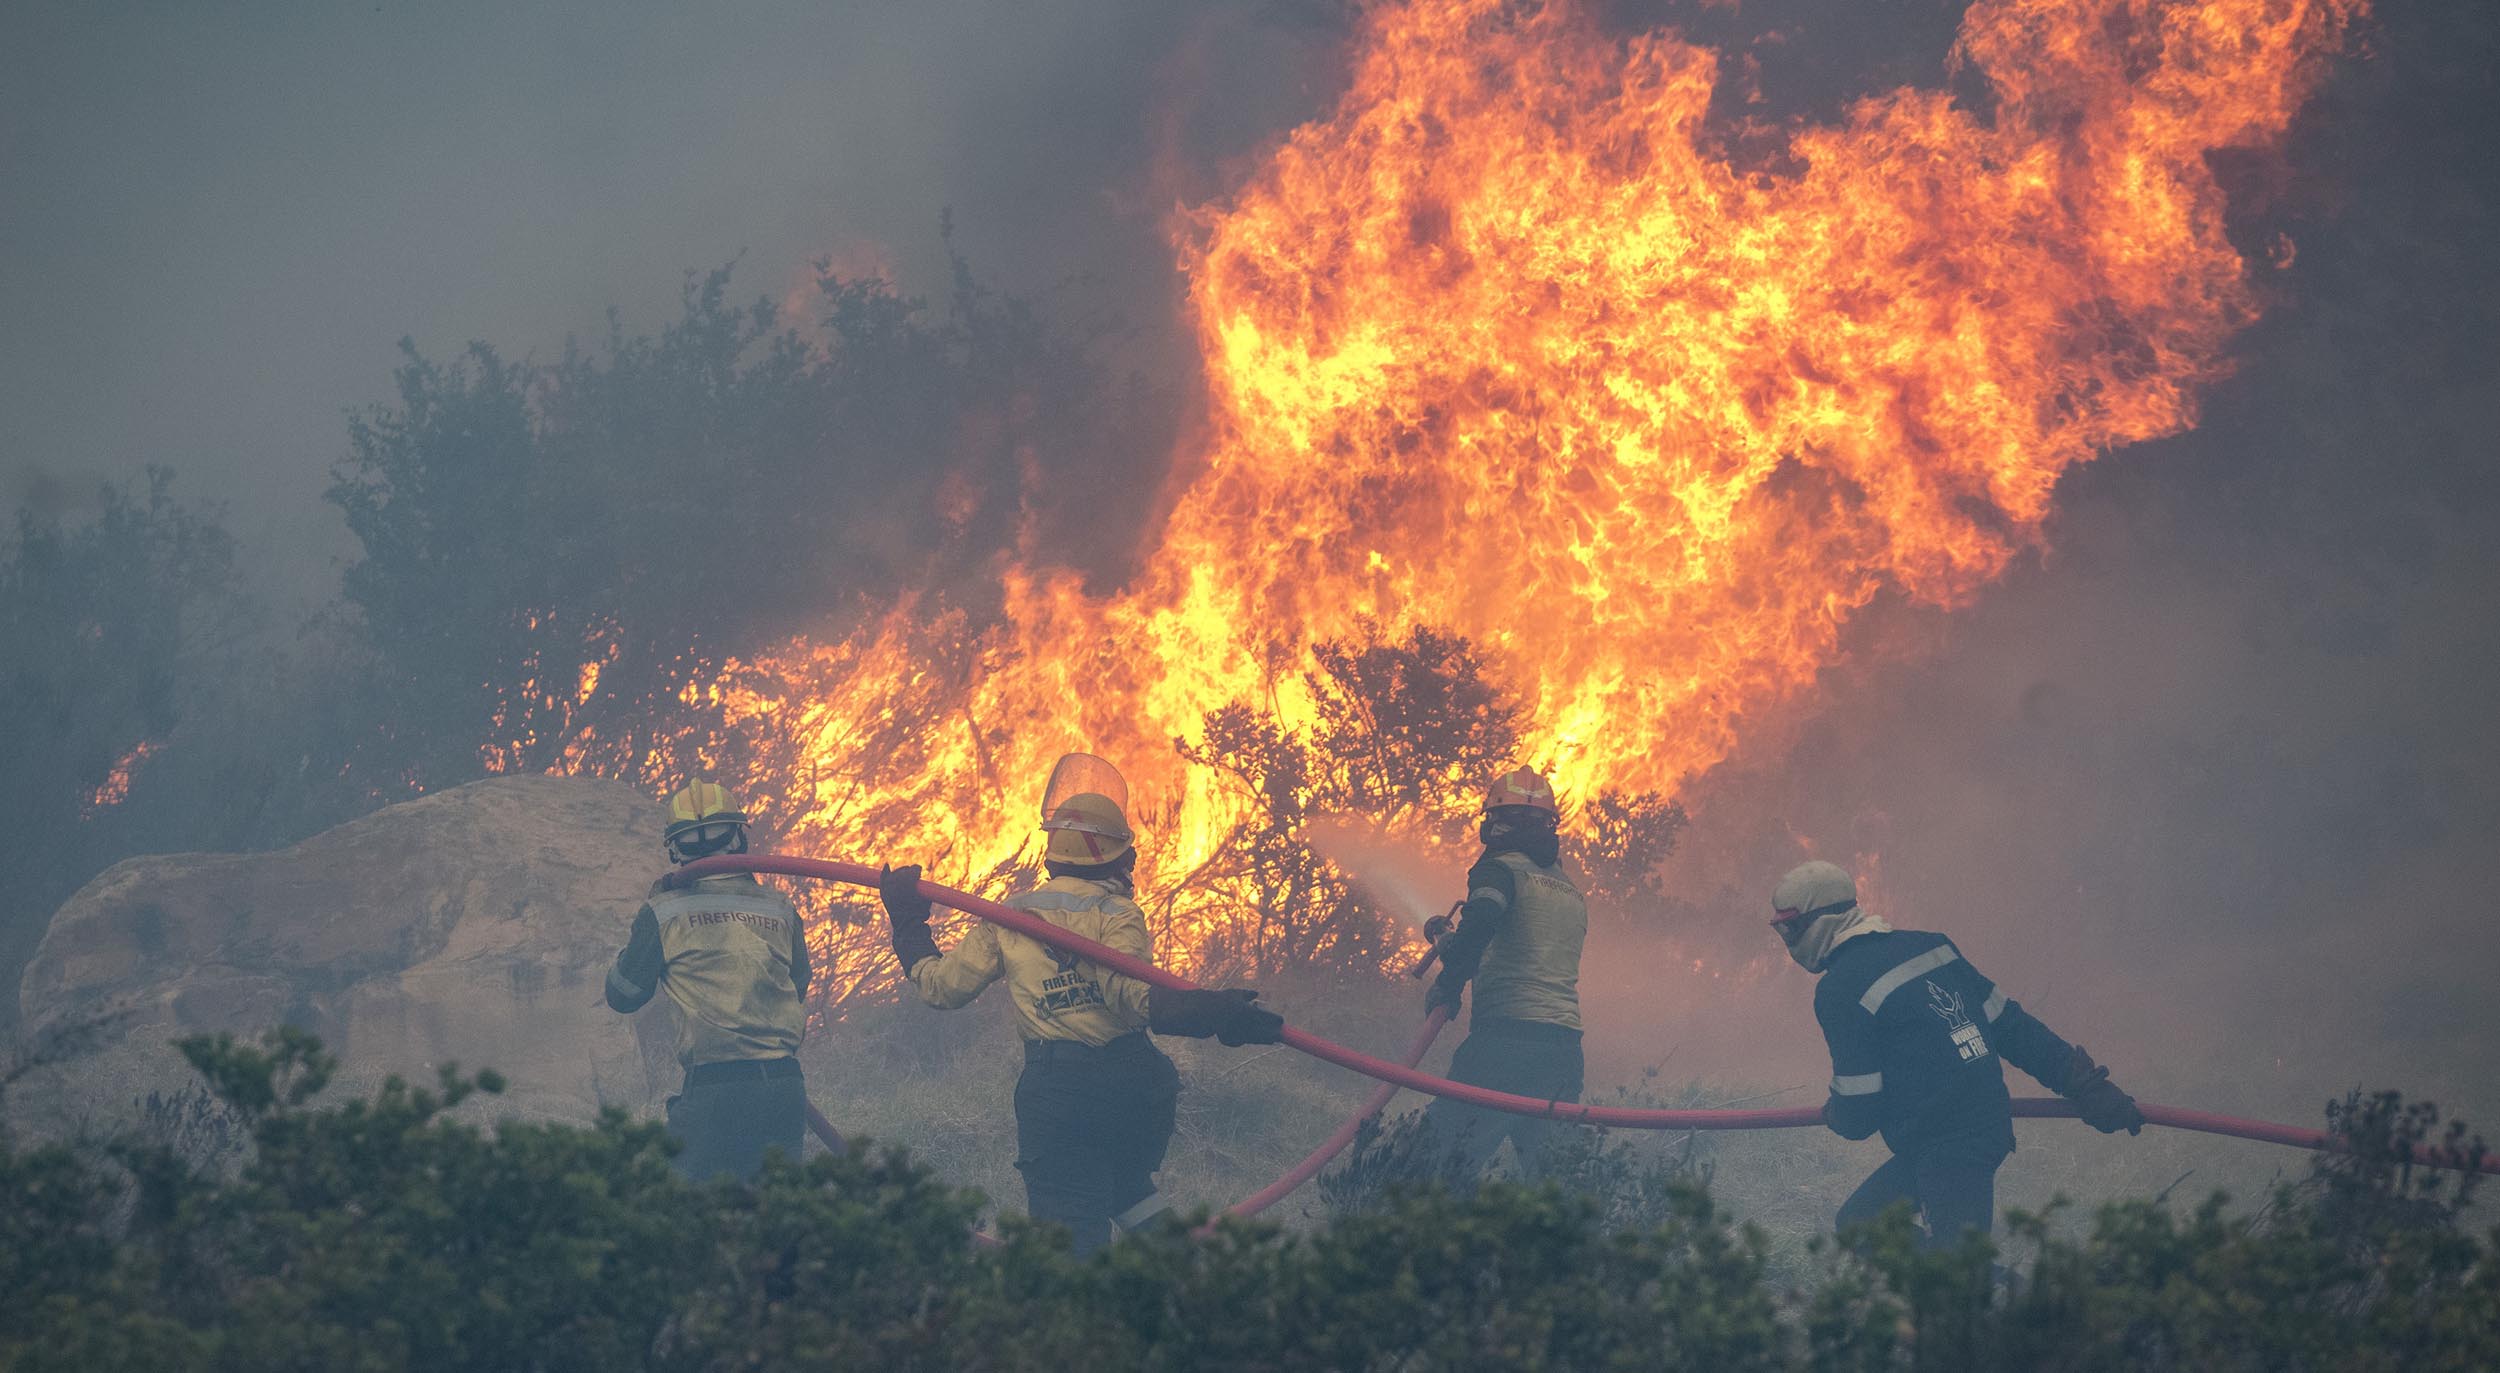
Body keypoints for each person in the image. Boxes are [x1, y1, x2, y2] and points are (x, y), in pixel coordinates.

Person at [878, 755, 1283, 1255]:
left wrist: (908, 924)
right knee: (1128, 1189)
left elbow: (942, 987)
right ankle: (1186, 1275)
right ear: (1115, 858)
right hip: (1134, 1086)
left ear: (1053, 853)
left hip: (1061, 1092)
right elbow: (1131, 998)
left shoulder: (1010, 916)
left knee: (1070, 1236)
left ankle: (1096, 1297)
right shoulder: (1116, 912)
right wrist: (1215, 1013)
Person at [1768, 859, 2146, 1249]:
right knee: (1861, 1224)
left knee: (1955, 1273)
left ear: (1821, 920)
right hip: (1969, 1130)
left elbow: (1858, 1110)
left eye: (1791, 927)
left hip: (1949, 1146)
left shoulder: (1840, 989)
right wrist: (2085, 1085)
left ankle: (1998, 1285)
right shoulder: (1932, 947)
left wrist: (1837, 1114)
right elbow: (2012, 1027)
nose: (1788, 939)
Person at [605, 780, 814, 1182]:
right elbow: (798, 985)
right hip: (784, 1090)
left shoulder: (664, 911)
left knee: (680, 1208)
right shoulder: (780, 907)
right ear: (738, 836)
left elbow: (624, 994)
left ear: (674, 849)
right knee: (776, 1209)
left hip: (716, 1094)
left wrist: (641, 933)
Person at [1410, 766, 1590, 1179]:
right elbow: (1518, 944)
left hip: (1504, 1043)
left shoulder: (1499, 870)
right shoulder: (1567, 888)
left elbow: (1483, 920)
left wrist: (1447, 985)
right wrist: (1457, 946)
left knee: (1433, 1164)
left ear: (1496, 821)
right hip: (1563, 1050)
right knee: (1559, 1182)